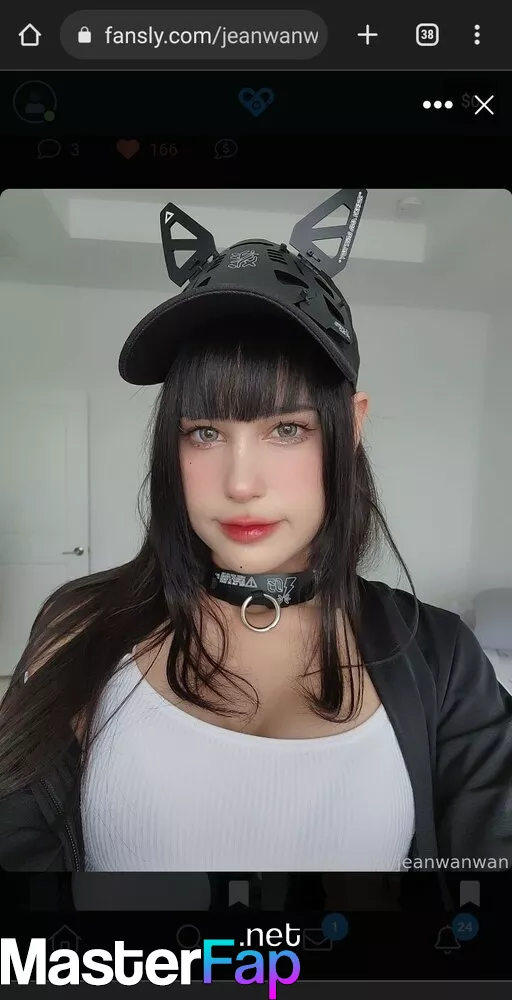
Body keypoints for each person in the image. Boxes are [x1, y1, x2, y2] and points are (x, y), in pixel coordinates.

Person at [0, 192, 511, 882]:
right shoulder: (81, 625)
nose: (241, 483)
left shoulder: (443, 658)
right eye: (206, 433)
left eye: (287, 429)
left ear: (351, 426)